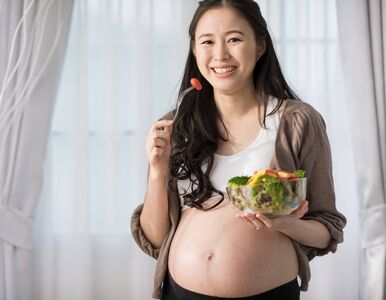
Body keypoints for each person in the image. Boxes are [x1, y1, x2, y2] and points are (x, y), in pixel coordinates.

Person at [131, 0, 347, 299]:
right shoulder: (175, 124)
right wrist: (157, 170)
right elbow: (155, 238)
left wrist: (285, 223)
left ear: (259, 46)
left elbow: (327, 228)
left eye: (234, 39)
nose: (220, 54)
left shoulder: (297, 121)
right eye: (207, 41)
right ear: (194, 50)